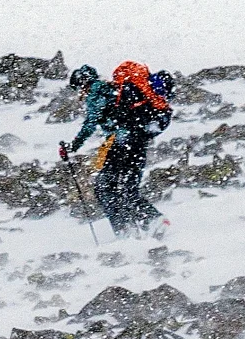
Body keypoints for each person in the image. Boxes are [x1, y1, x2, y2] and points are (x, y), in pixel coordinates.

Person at [59, 61, 173, 235]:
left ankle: (125, 230)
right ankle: (154, 221)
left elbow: (90, 123)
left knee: (104, 187)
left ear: (83, 84)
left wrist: (72, 146)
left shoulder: (97, 91)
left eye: (79, 89)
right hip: (138, 140)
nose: (80, 95)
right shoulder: (117, 89)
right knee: (128, 189)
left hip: (121, 142)